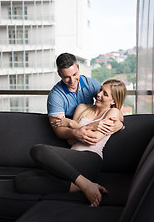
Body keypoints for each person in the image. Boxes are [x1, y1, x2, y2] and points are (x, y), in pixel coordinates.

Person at [14, 79, 126, 207]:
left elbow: (93, 138)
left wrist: (71, 123)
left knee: (38, 150)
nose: (99, 94)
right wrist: (90, 126)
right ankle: (82, 185)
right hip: (72, 162)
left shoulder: (113, 112)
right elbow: (71, 139)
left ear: (113, 101)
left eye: (105, 94)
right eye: (100, 89)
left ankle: (85, 184)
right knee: (21, 181)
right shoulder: (82, 108)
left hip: (90, 160)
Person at [47, 52, 123, 145]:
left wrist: (120, 123)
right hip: (69, 135)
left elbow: (110, 102)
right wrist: (75, 132)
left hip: (86, 129)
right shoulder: (55, 96)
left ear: (78, 68)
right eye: (67, 77)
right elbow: (59, 130)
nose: (72, 80)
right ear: (59, 74)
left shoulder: (90, 84)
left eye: (75, 74)